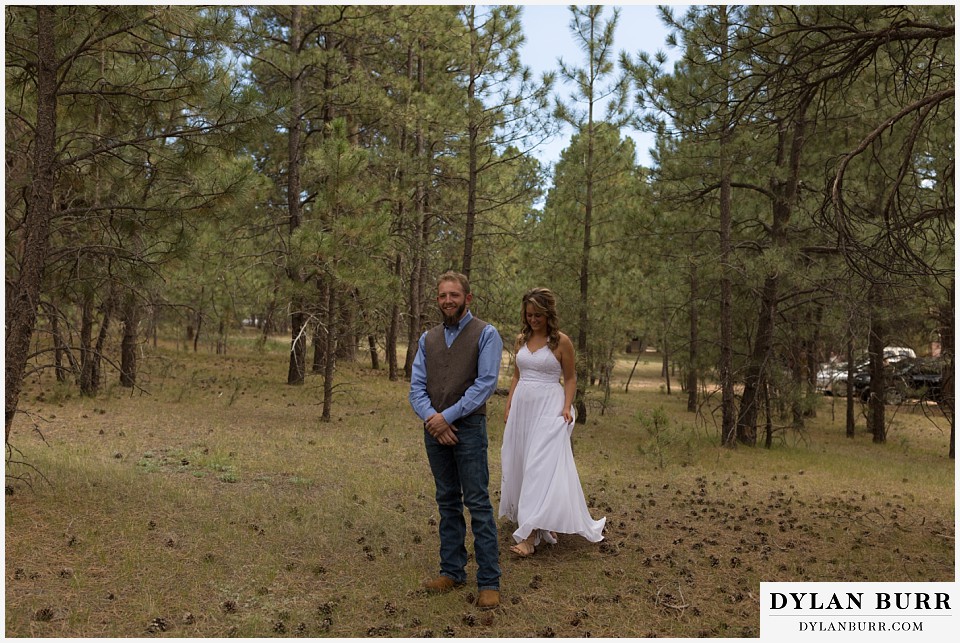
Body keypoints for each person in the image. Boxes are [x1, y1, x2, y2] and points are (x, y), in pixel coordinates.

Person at [409, 271, 503, 609]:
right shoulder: (428, 338)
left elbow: (486, 385)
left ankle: (489, 581)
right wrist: (433, 420)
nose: (448, 300)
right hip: (435, 431)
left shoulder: (486, 334)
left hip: (469, 430)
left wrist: (446, 417)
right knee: (447, 500)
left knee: (477, 503)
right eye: (442, 295)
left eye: (454, 294)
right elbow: (416, 387)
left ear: (468, 297)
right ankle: (452, 571)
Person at [499, 287, 605, 556]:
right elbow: (516, 375)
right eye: (529, 314)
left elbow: (570, 378)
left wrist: (567, 406)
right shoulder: (520, 339)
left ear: (548, 314)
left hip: (550, 407)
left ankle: (530, 535)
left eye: (538, 315)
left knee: (539, 465)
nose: (533, 319)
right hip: (523, 407)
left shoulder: (561, 342)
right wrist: (510, 402)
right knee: (522, 461)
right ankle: (540, 519)